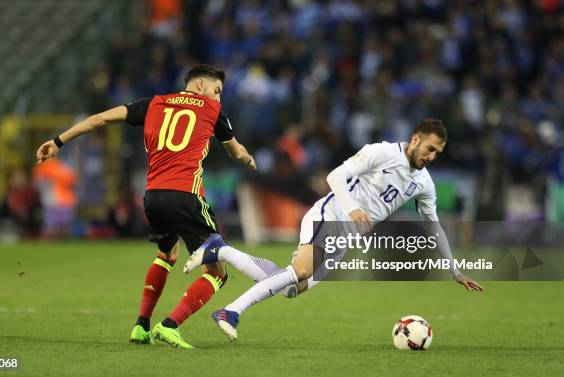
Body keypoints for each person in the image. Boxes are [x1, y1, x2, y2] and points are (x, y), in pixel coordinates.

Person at [36, 64, 278, 349]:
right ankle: (170, 325)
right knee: (217, 272)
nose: (218, 98)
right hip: (186, 196)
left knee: (167, 253)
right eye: (217, 90)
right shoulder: (213, 112)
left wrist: (57, 141)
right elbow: (236, 151)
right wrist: (249, 159)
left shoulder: (153, 104)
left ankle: (141, 325)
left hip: (152, 196)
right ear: (200, 86)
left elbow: (100, 119)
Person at [183, 119, 484, 341]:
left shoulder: (424, 184)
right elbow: (335, 176)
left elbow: (434, 229)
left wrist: (454, 270)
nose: (432, 156)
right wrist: (353, 208)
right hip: (333, 214)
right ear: (416, 139)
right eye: (430, 148)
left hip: (348, 236)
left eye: (438, 153)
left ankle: (219, 249)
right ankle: (231, 311)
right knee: (300, 270)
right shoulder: (382, 153)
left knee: (290, 287)